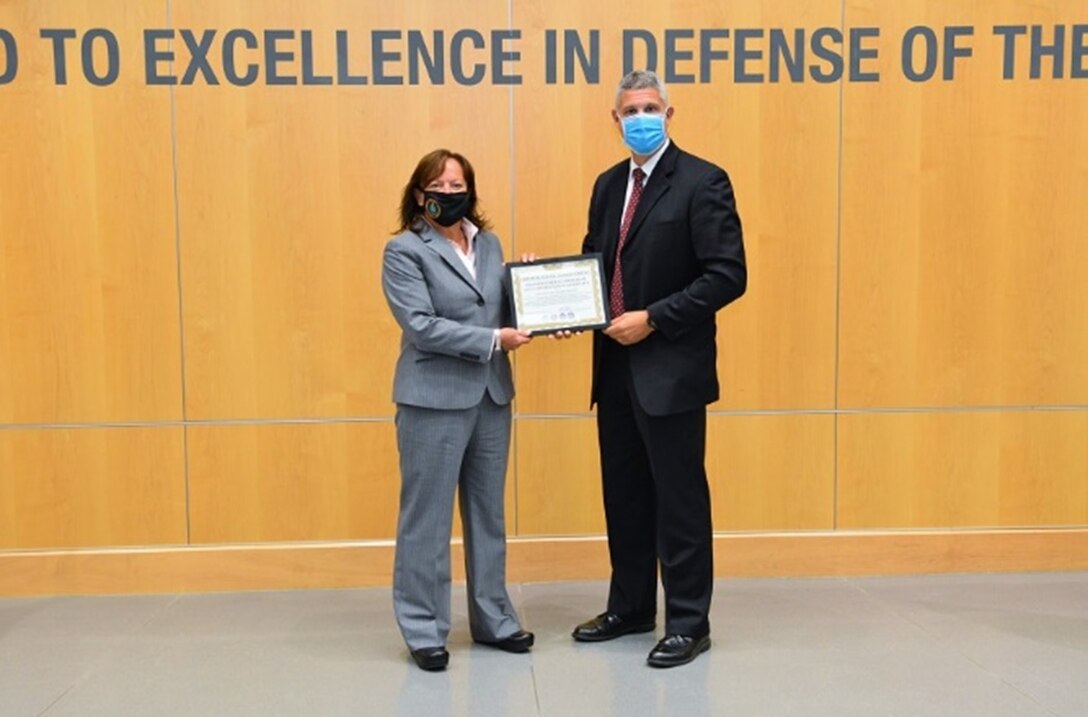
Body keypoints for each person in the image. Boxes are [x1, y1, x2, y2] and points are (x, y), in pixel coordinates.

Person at [570, 70, 747, 667]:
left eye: (650, 107)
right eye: (629, 110)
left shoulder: (703, 181)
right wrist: (561, 298)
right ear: (614, 120)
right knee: (623, 494)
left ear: (670, 115)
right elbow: (597, 261)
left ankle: (689, 621)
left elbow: (727, 275)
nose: (640, 117)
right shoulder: (606, 184)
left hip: (670, 366)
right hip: (614, 367)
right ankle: (631, 607)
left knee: (678, 498)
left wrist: (654, 317)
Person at [381, 149, 534, 671]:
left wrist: (533, 293)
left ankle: (494, 618)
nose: (448, 192)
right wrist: (495, 337)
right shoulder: (403, 251)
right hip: (433, 399)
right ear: (419, 193)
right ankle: (424, 629)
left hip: (491, 396)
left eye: (457, 183)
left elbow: (495, 306)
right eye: (437, 185)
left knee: (488, 515)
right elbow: (421, 325)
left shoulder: (488, 244)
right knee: (426, 519)